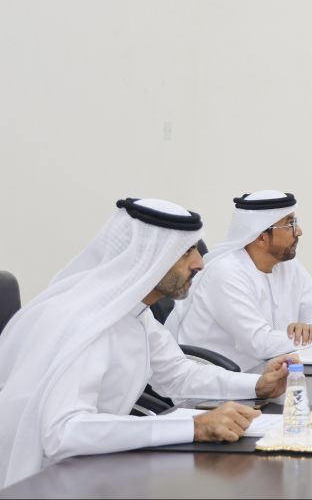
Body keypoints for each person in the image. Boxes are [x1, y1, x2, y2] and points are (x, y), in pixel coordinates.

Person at [0, 198, 296, 486]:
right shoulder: (87, 323)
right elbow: (63, 432)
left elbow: (178, 375)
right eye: (186, 252)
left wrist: (258, 385)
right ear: (147, 257)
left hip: (98, 467)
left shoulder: (136, 314)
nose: (199, 263)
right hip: (47, 479)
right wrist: (193, 427)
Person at [168, 190, 312, 371]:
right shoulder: (225, 272)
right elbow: (259, 343)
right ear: (261, 237)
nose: (298, 231)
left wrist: (309, 330)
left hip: (270, 374)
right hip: (218, 380)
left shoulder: (288, 266)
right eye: (289, 224)